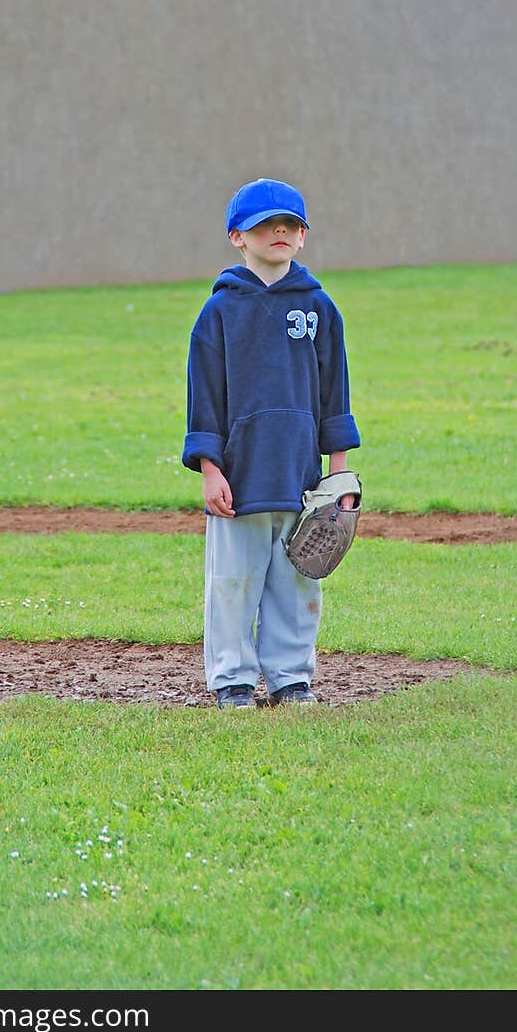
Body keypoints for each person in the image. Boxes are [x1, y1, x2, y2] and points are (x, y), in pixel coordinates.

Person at [182, 177, 360, 709]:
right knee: (233, 584)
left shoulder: (320, 308)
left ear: (302, 236)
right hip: (239, 478)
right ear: (238, 236)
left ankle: (290, 678)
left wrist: (338, 476)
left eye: (290, 224)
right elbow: (204, 400)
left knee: (296, 582)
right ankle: (232, 679)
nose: (278, 232)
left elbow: (335, 395)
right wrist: (211, 469)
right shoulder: (219, 312)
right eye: (265, 224)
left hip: (302, 478)